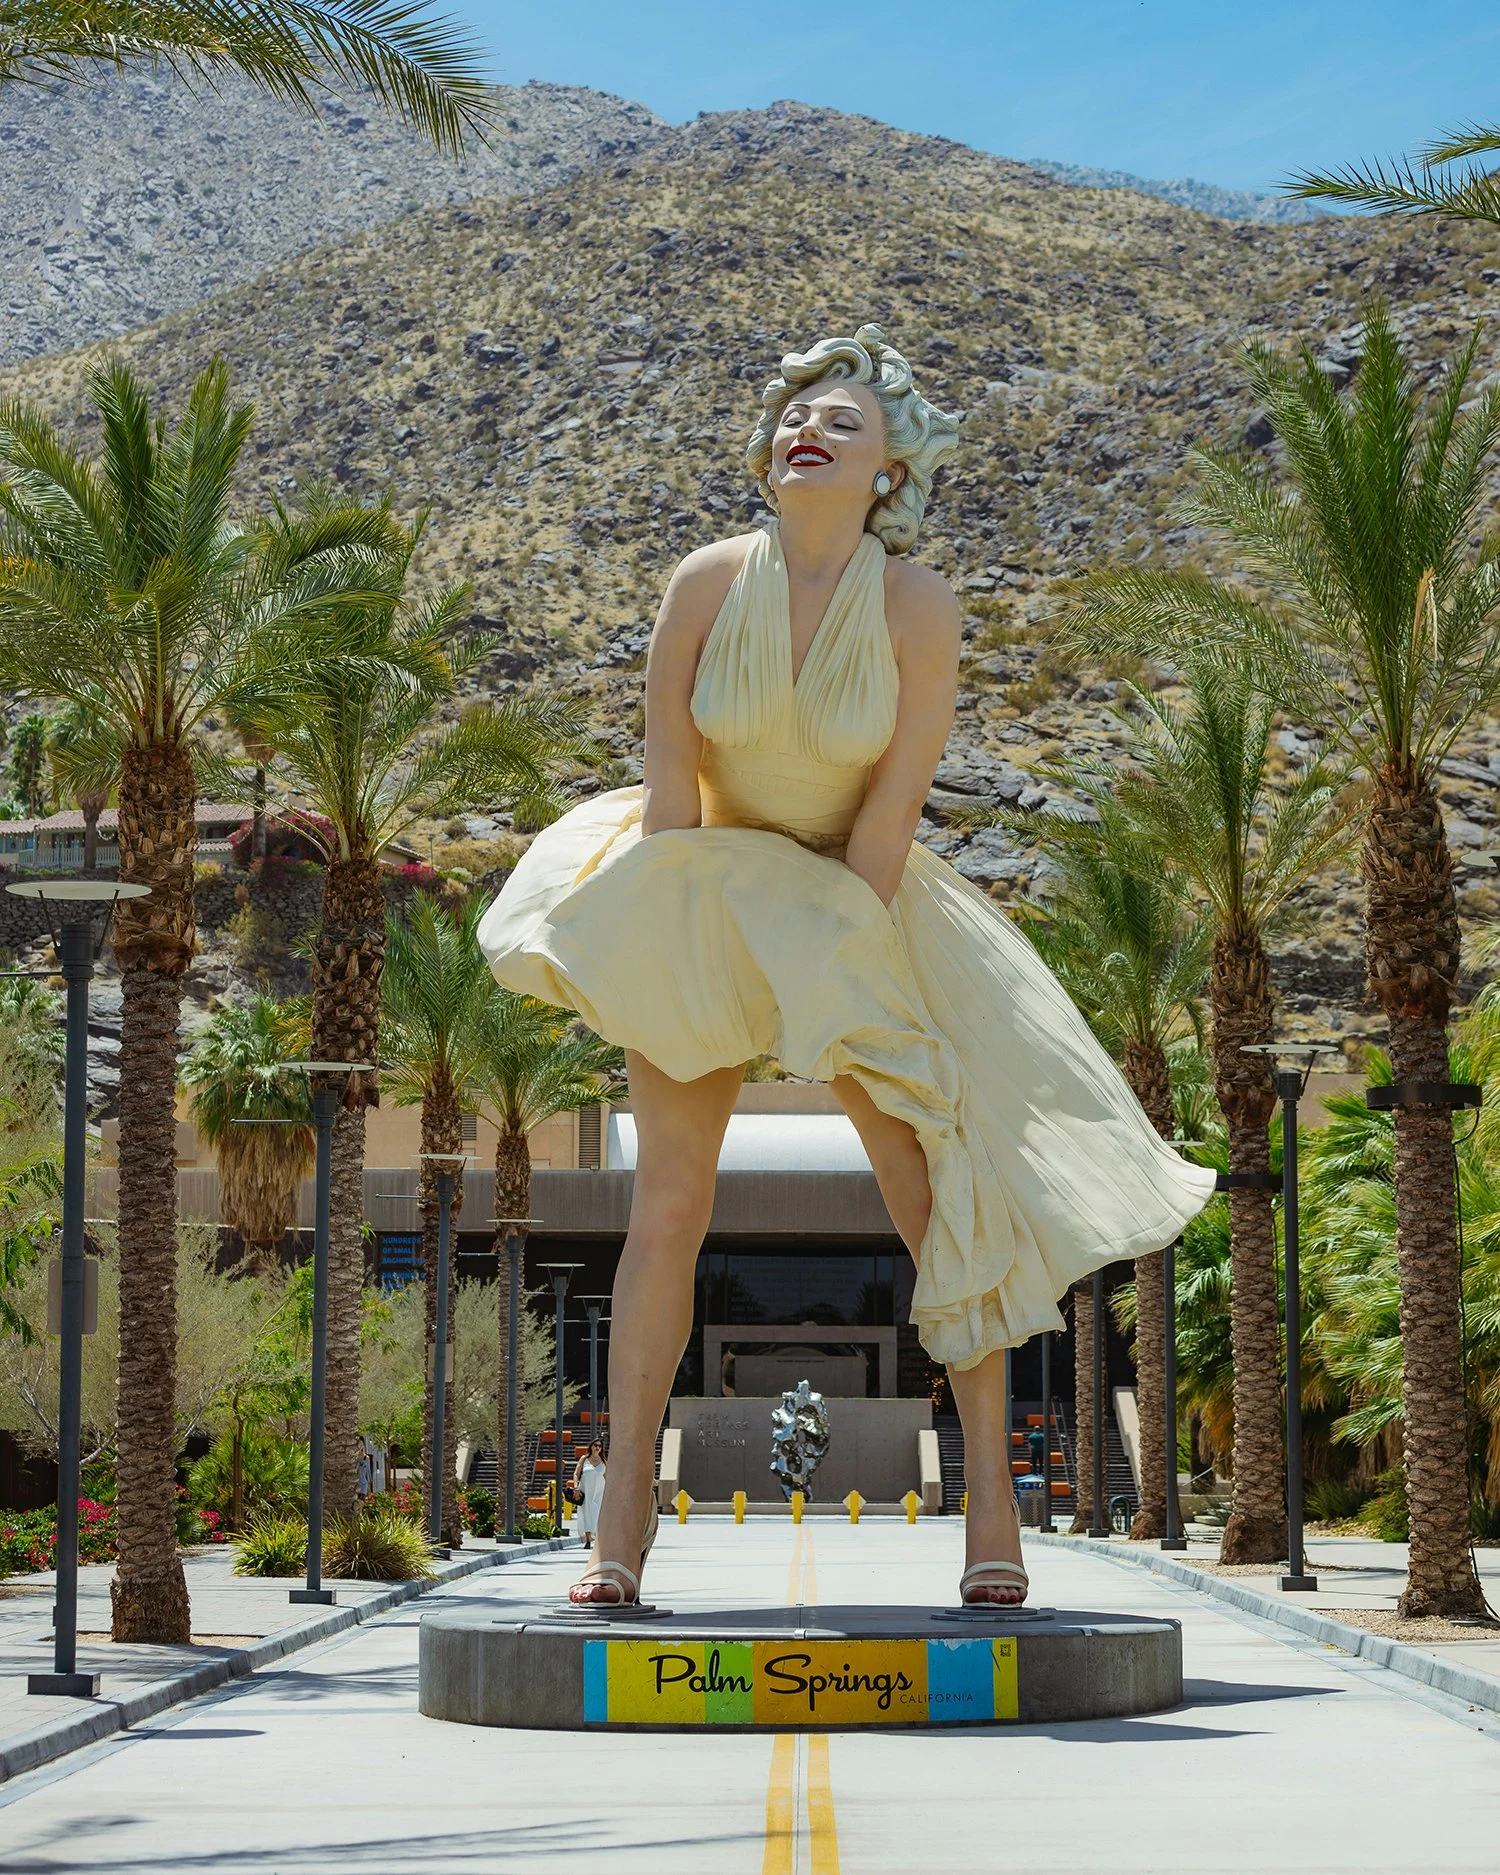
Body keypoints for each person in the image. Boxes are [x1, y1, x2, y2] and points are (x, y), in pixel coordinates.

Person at [480, 325, 1215, 1609]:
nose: (805, 429)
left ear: (890, 471)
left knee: (935, 1202)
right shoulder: (705, 583)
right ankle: (619, 1536)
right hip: (703, 883)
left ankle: (994, 1513)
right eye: (792, 415)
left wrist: (835, 984)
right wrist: (670, 950)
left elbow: (886, 825)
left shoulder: (918, 607)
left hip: (856, 903)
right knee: (668, 1209)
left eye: (844, 421)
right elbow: (669, 803)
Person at [571, 1441, 607, 1549]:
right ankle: (587, 1540)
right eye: (595, 1445)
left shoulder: (604, 1462)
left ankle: (597, 1540)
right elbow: (576, 1474)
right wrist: (576, 1487)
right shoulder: (584, 1459)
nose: (597, 1448)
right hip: (585, 1491)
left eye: (600, 1446)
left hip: (599, 1492)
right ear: (591, 1447)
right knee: (586, 1514)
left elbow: (609, 1477)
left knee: (597, 1514)